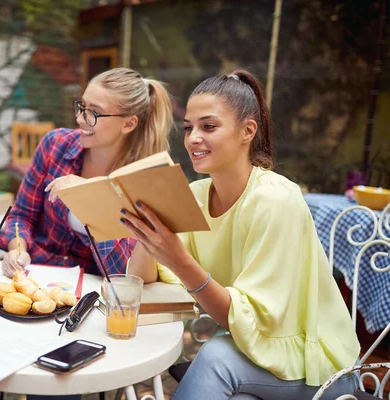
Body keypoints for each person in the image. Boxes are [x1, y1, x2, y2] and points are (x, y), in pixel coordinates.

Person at [123, 70, 360, 400]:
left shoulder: (276, 199)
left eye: (208, 126)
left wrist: (178, 257)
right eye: (189, 127)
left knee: (216, 358)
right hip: (257, 361)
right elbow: (144, 284)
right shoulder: (195, 195)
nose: (192, 138)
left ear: (247, 131)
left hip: (316, 364)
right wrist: (147, 223)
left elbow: (244, 320)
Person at [0, 67, 174, 278]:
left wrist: (90, 198)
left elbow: (125, 273)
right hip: (34, 275)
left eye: (94, 112)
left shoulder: (138, 181)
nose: (80, 119)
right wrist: (18, 249)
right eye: (82, 106)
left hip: (92, 294)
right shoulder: (55, 145)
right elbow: (22, 215)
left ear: (128, 124)